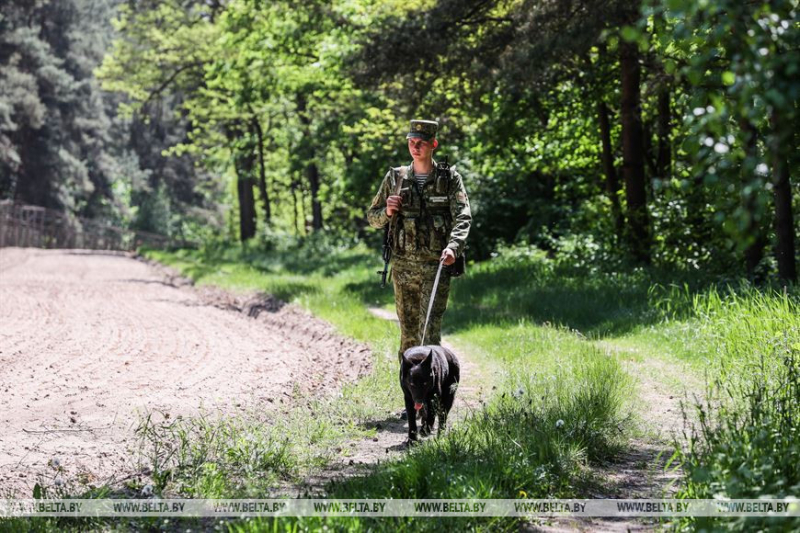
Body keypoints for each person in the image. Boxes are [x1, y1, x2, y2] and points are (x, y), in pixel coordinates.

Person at [367, 119, 471, 416]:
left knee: (430, 335)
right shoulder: (396, 178)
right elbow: (373, 218)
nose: (416, 145)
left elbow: (463, 216)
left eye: (422, 141)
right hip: (403, 268)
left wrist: (454, 247)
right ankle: (410, 402)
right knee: (408, 337)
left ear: (433, 144)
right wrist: (387, 210)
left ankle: (433, 400)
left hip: (435, 268)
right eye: (412, 140)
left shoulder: (449, 178)